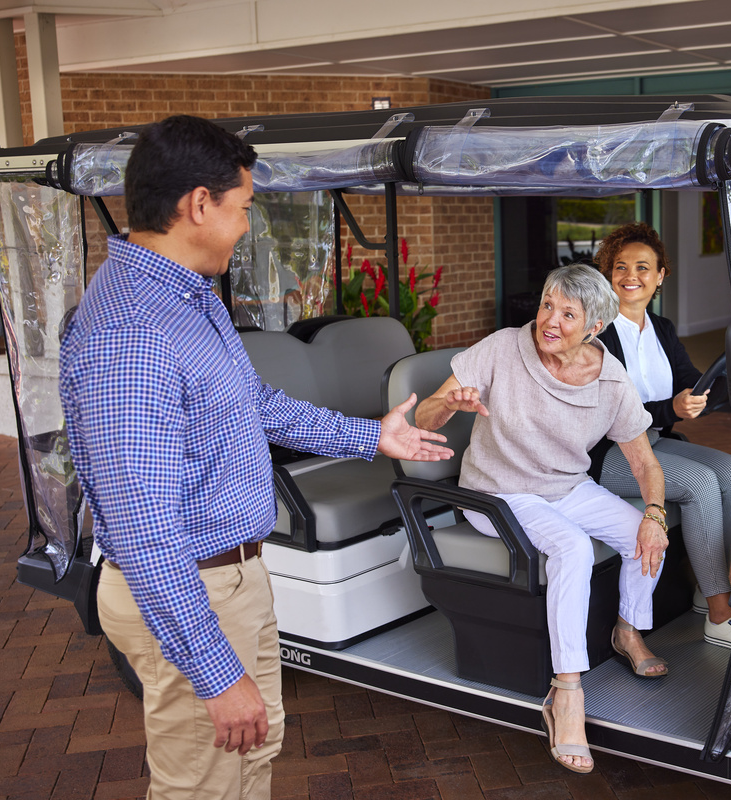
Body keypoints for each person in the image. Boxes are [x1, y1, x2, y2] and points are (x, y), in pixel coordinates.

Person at [58, 115, 452, 800]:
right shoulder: (132, 334)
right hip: (192, 591)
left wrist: (371, 437)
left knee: (253, 756)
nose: (245, 226)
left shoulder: (185, 296)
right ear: (198, 204)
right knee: (203, 787)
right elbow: (145, 530)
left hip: (234, 577)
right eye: (241, 208)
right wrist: (213, 670)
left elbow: (256, 404)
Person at [414, 263, 669, 775]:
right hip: (498, 492)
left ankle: (628, 628)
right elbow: (423, 419)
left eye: (568, 314)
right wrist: (449, 404)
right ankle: (566, 692)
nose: (549, 320)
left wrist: (655, 514)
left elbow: (644, 462)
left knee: (640, 533)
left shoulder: (611, 380)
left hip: (567, 488)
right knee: (572, 548)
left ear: (594, 328)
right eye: (547, 304)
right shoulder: (502, 348)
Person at [593, 222, 731, 653]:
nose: (630, 275)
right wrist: (670, 409)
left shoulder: (663, 329)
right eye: (620, 267)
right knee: (701, 484)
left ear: (660, 276)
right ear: (607, 274)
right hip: (606, 453)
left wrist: (723, 389)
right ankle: (719, 612)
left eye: (642, 267)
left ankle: (707, 586)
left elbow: (691, 380)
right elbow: (609, 413)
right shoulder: (596, 332)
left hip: (652, 442)